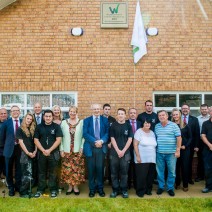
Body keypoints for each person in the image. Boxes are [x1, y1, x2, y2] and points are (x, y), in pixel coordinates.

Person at [34, 109, 63, 198]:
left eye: (49, 116)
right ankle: (40, 189)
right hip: (41, 154)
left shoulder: (56, 127)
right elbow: (36, 140)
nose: (48, 118)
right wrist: (43, 150)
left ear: (52, 117)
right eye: (46, 116)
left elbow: (59, 140)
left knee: (53, 173)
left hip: (53, 154)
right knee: (41, 172)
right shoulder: (39, 127)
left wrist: (49, 150)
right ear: (43, 117)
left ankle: (53, 189)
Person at [83, 104, 109, 198]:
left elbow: (107, 133)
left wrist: (101, 141)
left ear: (100, 110)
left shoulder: (105, 120)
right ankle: (92, 189)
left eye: (98, 109)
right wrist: (95, 142)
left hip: (101, 148)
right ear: (91, 110)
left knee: (100, 169)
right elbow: (85, 134)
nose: (96, 110)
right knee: (91, 170)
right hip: (90, 148)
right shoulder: (86, 120)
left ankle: (100, 188)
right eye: (94, 109)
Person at [155, 110, 182, 196]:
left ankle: (170, 188)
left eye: (163, 115)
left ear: (167, 116)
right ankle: (161, 187)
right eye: (160, 115)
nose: (161, 117)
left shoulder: (174, 125)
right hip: (159, 153)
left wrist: (178, 150)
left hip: (171, 154)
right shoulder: (156, 126)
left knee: (172, 172)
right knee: (160, 171)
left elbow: (179, 138)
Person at [60, 106, 85, 195]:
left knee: (77, 169)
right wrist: (61, 149)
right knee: (68, 169)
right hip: (66, 150)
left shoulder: (81, 122)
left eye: (74, 111)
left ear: (76, 112)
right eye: (71, 111)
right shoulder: (63, 123)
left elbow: (83, 137)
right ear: (69, 112)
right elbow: (61, 138)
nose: (72, 113)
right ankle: (70, 187)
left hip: (77, 150)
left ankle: (76, 187)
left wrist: (82, 147)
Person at [109, 108, 133, 198]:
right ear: (117, 115)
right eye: (119, 114)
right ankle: (115, 190)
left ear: (125, 115)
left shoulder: (128, 126)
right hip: (114, 154)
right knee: (114, 173)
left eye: (122, 114)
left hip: (125, 154)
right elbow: (112, 139)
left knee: (124, 173)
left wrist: (123, 151)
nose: (120, 115)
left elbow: (130, 139)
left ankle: (124, 190)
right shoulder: (113, 126)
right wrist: (118, 151)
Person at [0, 105, 22, 196]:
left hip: (20, 149)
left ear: (19, 112)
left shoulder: (23, 122)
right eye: (13, 110)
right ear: (11, 112)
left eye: (17, 110)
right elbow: (1, 137)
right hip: (8, 149)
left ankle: (18, 186)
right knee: (8, 170)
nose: (15, 112)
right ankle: (11, 188)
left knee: (19, 169)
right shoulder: (6, 123)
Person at [133, 119, 157, 197]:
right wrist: (138, 156)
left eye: (149, 123)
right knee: (141, 176)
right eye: (146, 123)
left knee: (150, 176)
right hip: (142, 158)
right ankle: (140, 191)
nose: (147, 124)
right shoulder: (139, 132)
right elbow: (135, 145)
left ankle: (148, 190)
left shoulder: (152, 133)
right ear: (143, 124)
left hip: (152, 158)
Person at [16, 113, 36, 197]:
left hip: (33, 154)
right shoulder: (20, 129)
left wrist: (35, 151)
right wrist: (28, 153)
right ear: (25, 119)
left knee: (31, 173)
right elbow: (21, 142)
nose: (29, 120)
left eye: (30, 119)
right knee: (26, 174)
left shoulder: (33, 129)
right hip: (25, 154)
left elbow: (36, 141)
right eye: (28, 118)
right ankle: (23, 192)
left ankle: (28, 190)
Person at [171, 108, 192, 192]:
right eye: (174, 114)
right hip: (174, 149)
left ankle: (185, 185)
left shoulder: (186, 125)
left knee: (185, 167)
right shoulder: (171, 125)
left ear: (180, 115)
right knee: (176, 167)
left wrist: (185, 146)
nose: (175, 116)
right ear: (172, 116)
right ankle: (177, 183)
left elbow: (190, 137)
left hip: (184, 150)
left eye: (177, 114)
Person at [181, 103, 200, 184]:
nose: (185, 110)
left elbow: (197, 133)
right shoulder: (177, 118)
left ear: (189, 110)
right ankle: (179, 179)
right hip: (179, 145)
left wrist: (196, 145)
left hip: (190, 146)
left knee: (188, 163)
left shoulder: (195, 119)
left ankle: (188, 179)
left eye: (186, 108)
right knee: (178, 163)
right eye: (183, 108)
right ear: (181, 110)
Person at [126, 108, 141, 189]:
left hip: (137, 148)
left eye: (134, 113)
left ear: (136, 114)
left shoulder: (140, 123)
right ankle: (128, 184)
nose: (132, 114)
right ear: (128, 114)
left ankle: (136, 184)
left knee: (136, 167)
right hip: (127, 148)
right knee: (127, 167)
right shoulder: (125, 123)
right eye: (131, 113)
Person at [102, 103, 116, 184]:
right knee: (102, 162)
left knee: (111, 162)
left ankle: (111, 180)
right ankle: (102, 179)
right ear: (103, 110)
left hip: (111, 144)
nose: (107, 110)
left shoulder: (113, 120)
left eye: (108, 109)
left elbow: (114, 132)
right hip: (102, 144)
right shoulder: (99, 118)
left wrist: (111, 142)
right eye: (106, 109)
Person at [196, 104, 210, 182]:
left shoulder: (210, 118)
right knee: (200, 159)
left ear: (208, 110)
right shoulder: (197, 119)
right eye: (202, 109)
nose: (204, 110)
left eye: (205, 109)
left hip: (210, 141)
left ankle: (208, 176)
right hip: (201, 142)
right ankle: (200, 176)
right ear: (200, 110)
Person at [201, 106, 212, 193]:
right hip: (207, 150)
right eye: (211, 111)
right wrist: (209, 145)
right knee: (208, 169)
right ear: (209, 112)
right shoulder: (205, 123)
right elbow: (203, 135)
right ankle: (208, 186)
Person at [0, 108, 8, 179]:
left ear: (7, 114)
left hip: (7, 148)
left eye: (4, 113)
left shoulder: (10, 122)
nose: (3, 115)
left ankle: (7, 181)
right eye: (1, 114)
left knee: (7, 166)